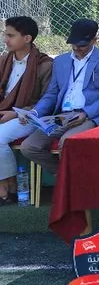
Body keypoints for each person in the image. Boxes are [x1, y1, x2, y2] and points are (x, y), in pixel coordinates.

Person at [20, 19, 99, 177]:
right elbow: (52, 94)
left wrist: (85, 113)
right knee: (29, 147)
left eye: (82, 45)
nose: (76, 49)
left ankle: (73, 184)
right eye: (73, 44)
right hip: (62, 115)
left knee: (68, 142)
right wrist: (34, 112)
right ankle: (66, 178)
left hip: (90, 115)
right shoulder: (61, 61)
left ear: (94, 40)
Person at [0, 17, 53, 204]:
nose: (5, 40)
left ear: (27, 38)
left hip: (28, 117)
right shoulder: (4, 61)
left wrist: (16, 113)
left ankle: (5, 188)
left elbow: (47, 101)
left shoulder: (44, 65)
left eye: (10, 35)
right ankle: (10, 183)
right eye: (5, 35)